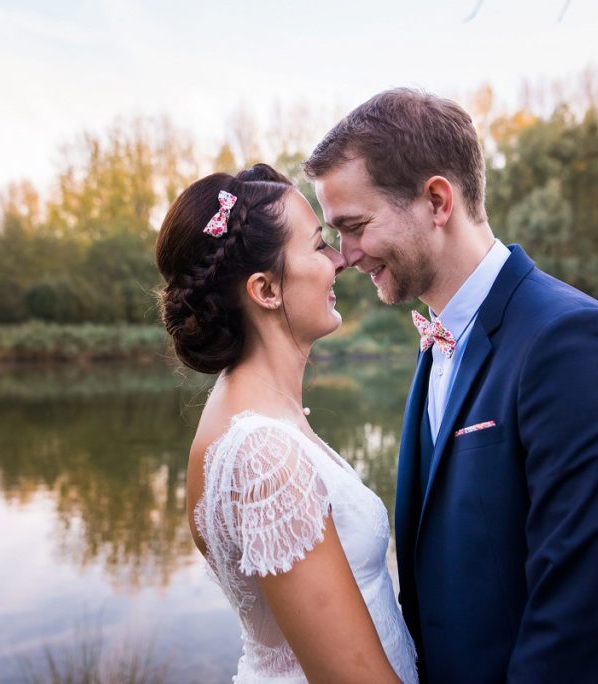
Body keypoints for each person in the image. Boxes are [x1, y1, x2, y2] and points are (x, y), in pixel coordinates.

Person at [304, 88, 598, 683]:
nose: (344, 256)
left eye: (354, 226)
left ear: (436, 200)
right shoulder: (439, 342)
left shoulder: (572, 342)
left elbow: (580, 625)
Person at [155, 164, 418, 684]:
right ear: (266, 290)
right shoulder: (263, 454)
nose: (341, 260)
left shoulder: (252, 416)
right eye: (319, 246)